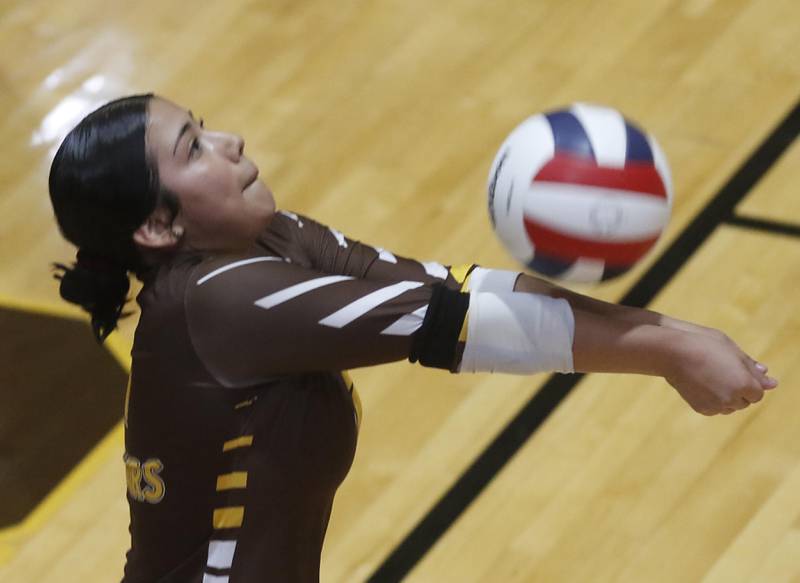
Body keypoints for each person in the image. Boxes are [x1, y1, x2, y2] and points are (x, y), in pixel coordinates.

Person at [49, 94, 778, 583]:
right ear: (159, 226)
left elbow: (454, 290)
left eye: (205, 126)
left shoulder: (272, 240)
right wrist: (668, 349)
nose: (229, 140)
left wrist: (674, 335)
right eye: (194, 148)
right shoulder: (219, 303)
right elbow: (454, 326)